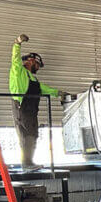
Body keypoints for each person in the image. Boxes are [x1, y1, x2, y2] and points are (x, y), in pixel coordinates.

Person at [9, 34, 69, 170]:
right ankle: (27, 164)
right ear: (31, 61)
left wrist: (58, 93)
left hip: (30, 109)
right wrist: (17, 43)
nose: (38, 67)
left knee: (32, 134)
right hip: (22, 107)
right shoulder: (18, 72)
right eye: (37, 64)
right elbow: (15, 59)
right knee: (28, 135)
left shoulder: (33, 79)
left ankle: (29, 162)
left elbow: (43, 88)